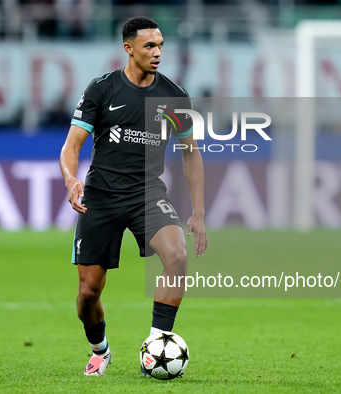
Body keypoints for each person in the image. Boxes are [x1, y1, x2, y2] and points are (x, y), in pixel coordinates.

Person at [60, 16, 207, 377]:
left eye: (160, 46)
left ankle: (155, 345)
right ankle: (100, 350)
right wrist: (71, 179)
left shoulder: (174, 96)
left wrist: (199, 211)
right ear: (128, 48)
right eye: (149, 46)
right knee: (89, 292)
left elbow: (191, 153)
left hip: (147, 194)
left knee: (176, 255)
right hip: (102, 196)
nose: (158, 53)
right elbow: (71, 146)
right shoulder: (102, 89)